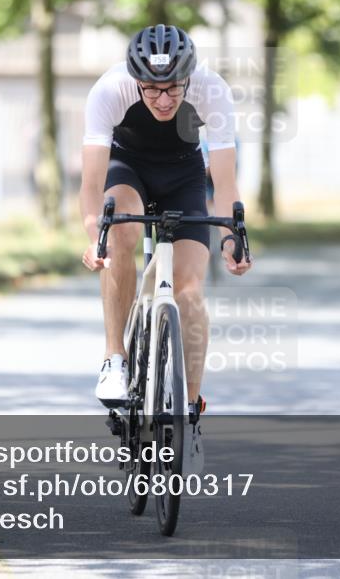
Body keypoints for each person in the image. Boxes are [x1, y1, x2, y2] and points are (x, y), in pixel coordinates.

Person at [78, 25, 252, 429]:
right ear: (136, 80)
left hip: (184, 175)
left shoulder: (212, 89)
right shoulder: (110, 90)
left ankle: (189, 411)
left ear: (189, 77)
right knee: (120, 232)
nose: (163, 99)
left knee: (189, 294)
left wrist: (231, 238)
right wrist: (94, 238)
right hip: (127, 167)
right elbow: (90, 185)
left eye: (174, 88)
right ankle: (115, 358)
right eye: (152, 89)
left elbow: (225, 183)